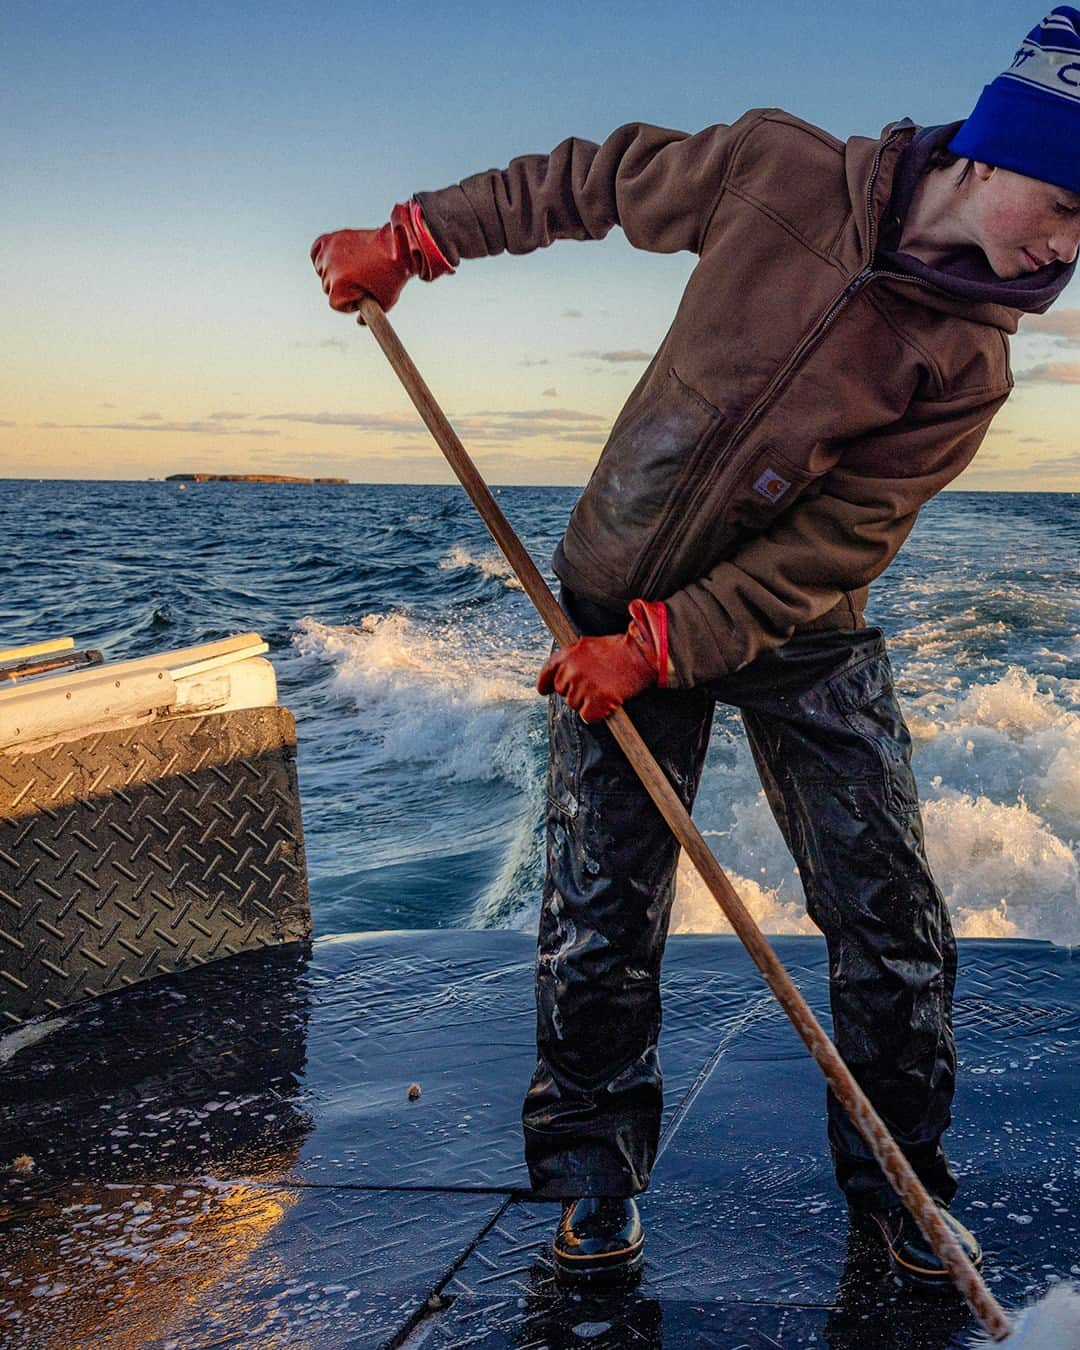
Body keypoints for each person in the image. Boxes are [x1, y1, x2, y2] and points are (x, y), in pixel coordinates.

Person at [312, 8, 1080, 1289]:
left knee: (889, 918)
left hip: (797, 632)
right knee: (599, 914)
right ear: (996, 153)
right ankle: (591, 1181)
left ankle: (900, 1184)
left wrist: (673, 645)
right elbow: (588, 182)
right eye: (1068, 200)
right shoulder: (778, 168)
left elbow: (842, 542)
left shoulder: (971, 363)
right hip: (612, 598)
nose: (1069, 243)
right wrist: (414, 239)